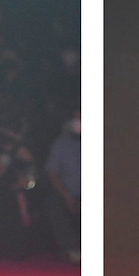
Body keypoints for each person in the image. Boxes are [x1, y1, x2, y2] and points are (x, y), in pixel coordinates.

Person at [44, 112, 82, 263]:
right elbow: (52, 173)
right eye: (77, 119)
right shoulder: (61, 145)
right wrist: (68, 197)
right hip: (67, 191)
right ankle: (72, 249)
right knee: (52, 203)